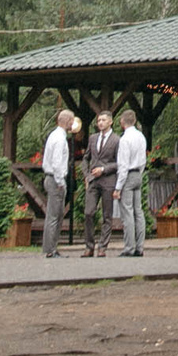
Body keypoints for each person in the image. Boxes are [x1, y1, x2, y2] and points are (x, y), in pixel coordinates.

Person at [80, 111, 121, 257]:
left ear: (110, 122)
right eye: (98, 121)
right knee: (88, 212)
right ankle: (89, 246)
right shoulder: (93, 138)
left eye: (103, 120)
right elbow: (86, 158)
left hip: (108, 180)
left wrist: (104, 169)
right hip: (93, 180)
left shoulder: (117, 140)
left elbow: (119, 162)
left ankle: (103, 246)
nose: (100, 123)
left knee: (107, 215)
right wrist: (86, 173)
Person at [39, 110, 76, 258]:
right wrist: (61, 181)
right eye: (72, 121)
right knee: (54, 216)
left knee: (56, 215)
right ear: (66, 121)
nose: (73, 124)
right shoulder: (60, 139)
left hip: (52, 178)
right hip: (55, 179)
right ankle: (50, 249)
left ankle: (52, 248)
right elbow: (56, 162)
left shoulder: (54, 135)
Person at [116, 108, 147, 257]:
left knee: (127, 212)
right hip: (138, 174)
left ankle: (129, 246)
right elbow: (143, 160)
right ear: (134, 121)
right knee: (138, 211)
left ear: (122, 122)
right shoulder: (141, 137)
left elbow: (123, 165)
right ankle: (139, 246)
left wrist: (118, 187)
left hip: (127, 175)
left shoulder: (124, 139)